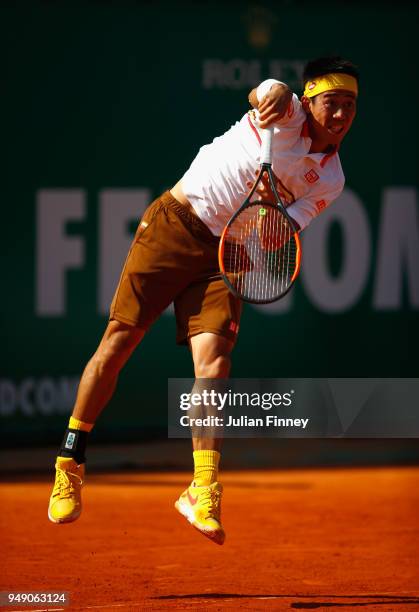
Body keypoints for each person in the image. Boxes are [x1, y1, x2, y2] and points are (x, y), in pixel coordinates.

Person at [48, 56, 359, 545]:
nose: (340, 115)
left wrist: (268, 226)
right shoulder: (286, 111)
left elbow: (279, 234)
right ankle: (70, 461)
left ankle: (202, 487)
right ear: (309, 100)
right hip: (175, 225)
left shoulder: (332, 181)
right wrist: (269, 93)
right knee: (118, 343)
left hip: (225, 253)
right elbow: (267, 91)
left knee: (214, 364)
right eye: (330, 104)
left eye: (349, 106)